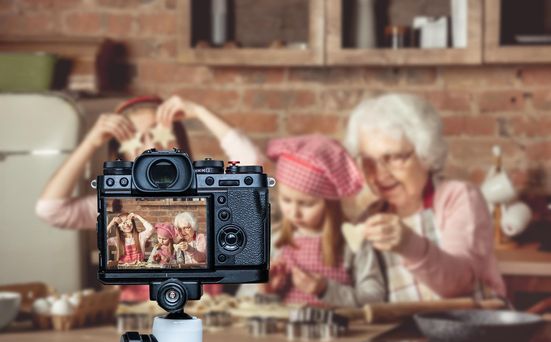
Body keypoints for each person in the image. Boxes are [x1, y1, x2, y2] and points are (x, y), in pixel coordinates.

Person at [155, 96, 386, 307]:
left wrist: (323, 288)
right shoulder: (274, 243)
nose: (294, 212)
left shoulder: (353, 244)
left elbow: (375, 301)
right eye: (286, 200)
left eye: (306, 204)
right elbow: (244, 301)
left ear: (330, 203)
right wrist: (265, 292)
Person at [344, 93, 506, 302]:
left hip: (470, 330)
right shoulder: (368, 220)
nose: (380, 174)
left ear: (425, 153)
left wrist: (408, 243)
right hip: (403, 334)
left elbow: (461, 282)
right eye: (369, 162)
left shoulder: (457, 198)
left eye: (394, 157)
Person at [35, 96, 192, 301]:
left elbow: (249, 170)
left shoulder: (207, 195)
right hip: (135, 315)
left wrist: (199, 111)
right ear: (123, 154)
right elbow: (49, 210)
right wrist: (91, 142)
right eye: (136, 137)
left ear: (177, 138)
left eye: (156, 132)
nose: (150, 146)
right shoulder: (114, 204)